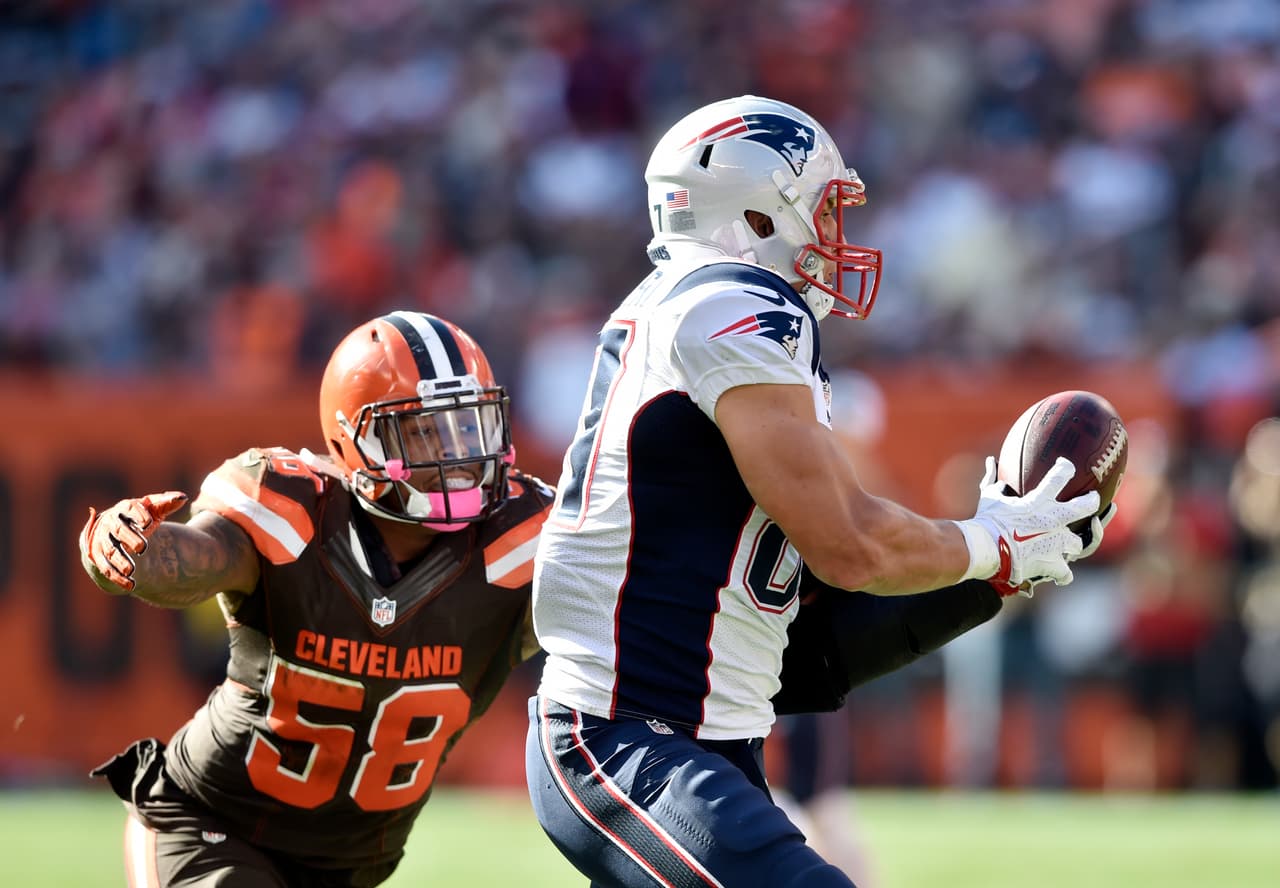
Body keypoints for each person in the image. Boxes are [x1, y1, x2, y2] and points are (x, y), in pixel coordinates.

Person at [525, 95, 1107, 887]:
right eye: (824, 211)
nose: (837, 237)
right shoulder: (731, 308)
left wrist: (993, 574)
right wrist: (994, 539)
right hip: (630, 736)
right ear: (759, 216)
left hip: (699, 739)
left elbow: (812, 649)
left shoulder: (701, 310)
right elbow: (852, 545)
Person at [81, 311, 554, 887]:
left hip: (348, 869)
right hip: (211, 823)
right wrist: (122, 548)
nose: (454, 455)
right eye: (425, 431)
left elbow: (632, 610)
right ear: (352, 439)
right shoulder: (294, 512)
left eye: (465, 425)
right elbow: (186, 559)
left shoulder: (525, 543)